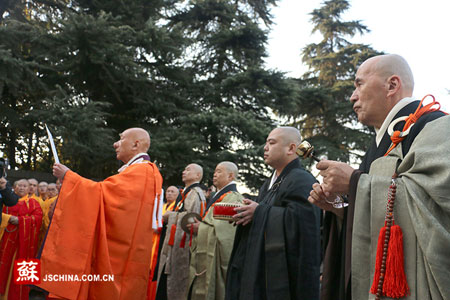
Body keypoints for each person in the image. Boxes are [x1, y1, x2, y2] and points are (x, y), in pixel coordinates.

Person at [308, 54, 449, 300]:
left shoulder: (437, 126)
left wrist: (356, 183)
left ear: (392, 85)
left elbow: (438, 208)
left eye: (359, 84)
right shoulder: (376, 146)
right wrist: (341, 208)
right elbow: (376, 213)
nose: (352, 96)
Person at [36, 127, 163, 300]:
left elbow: (102, 194)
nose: (115, 144)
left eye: (121, 138)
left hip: (121, 255)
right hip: (126, 251)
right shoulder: (140, 171)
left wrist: (69, 176)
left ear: (136, 144)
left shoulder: (141, 171)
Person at [225, 127, 321, 300]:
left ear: (291, 148)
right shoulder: (269, 183)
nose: (265, 147)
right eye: (266, 142)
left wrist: (259, 212)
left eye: (272, 142)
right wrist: (246, 214)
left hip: (280, 279)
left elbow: (304, 226)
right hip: (256, 268)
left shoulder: (302, 179)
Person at [187, 161, 243, 300]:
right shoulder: (219, 196)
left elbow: (225, 233)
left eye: (219, 171)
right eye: (215, 171)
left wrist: (201, 228)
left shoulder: (233, 197)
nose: (214, 174)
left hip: (216, 258)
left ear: (230, 176)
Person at [156, 163, 206, 300]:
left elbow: (191, 219)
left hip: (182, 248)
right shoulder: (186, 192)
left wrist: (170, 216)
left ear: (198, 175)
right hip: (173, 246)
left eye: (188, 169)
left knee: (176, 285)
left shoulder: (196, 194)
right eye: (184, 169)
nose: (184, 171)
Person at [0, 179, 43, 300]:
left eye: (25, 186)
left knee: (21, 269)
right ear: (14, 187)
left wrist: (20, 221)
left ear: (29, 188)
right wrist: (7, 218)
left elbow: (38, 218)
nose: (22, 188)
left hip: (23, 244)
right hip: (5, 242)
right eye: (19, 185)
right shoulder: (6, 200)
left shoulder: (33, 203)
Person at [147, 185, 180, 300]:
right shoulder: (163, 206)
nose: (169, 193)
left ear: (177, 195)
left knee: (156, 269)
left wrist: (157, 225)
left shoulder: (176, 207)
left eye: (172, 192)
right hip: (152, 240)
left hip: (162, 241)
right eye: (168, 191)